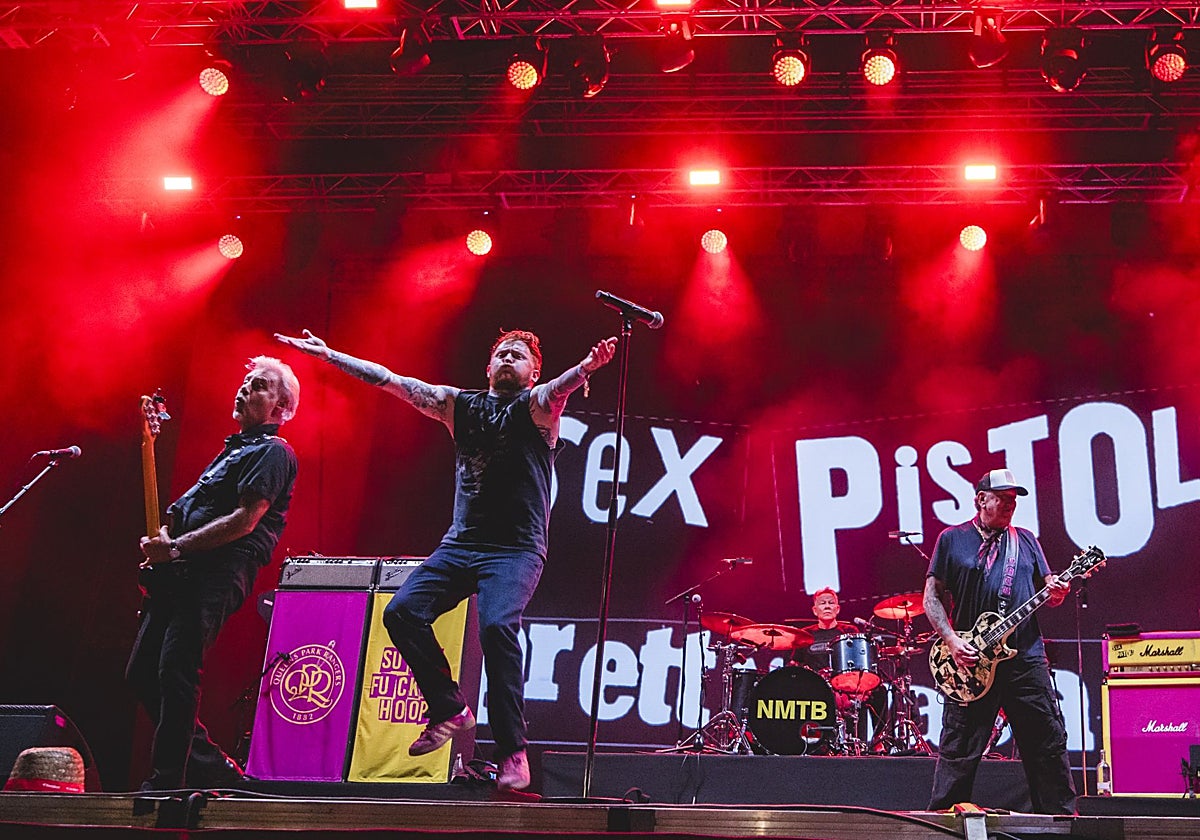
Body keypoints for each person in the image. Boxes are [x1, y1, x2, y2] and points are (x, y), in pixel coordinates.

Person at [274, 327, 616, 791]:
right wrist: (331, 354)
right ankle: (450, 708)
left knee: (497, 627)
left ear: (533, 371)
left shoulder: (537, 408)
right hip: (460, 546)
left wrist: (586, 369)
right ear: (489, 367)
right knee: (401, 612)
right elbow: (390, 380)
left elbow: (563, 387)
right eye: (501, 353)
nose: (508, 358)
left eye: (519, 355)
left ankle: (512, 751)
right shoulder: (460, 405)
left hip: (515, 550)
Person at [127, 356, 300, 792]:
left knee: (176, 670)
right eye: (245, 382)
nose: (244, 389)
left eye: (259, 386)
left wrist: (178, 547)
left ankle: (168, 781)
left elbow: (245, 519)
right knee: (143, 672)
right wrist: (165, 538)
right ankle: (212, 767)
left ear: (281, 409)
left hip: (218, 572)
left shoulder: (273, 452)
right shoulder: (233, 451)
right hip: (183, 571)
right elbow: (192, 512)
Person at [923, 468, 1076, 814]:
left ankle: (1060, 820)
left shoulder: (1026, 540)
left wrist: (1059, 591)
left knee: (1046, 742)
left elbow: (1050, 591)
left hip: (1025, 658)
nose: (1010, 504)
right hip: (971, 659)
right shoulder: (952, 539)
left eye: (1014, 499)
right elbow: (931, 596)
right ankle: (943, 821)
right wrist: (950, 639)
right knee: (959, 746)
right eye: (1002, 498)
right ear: (981, 500)